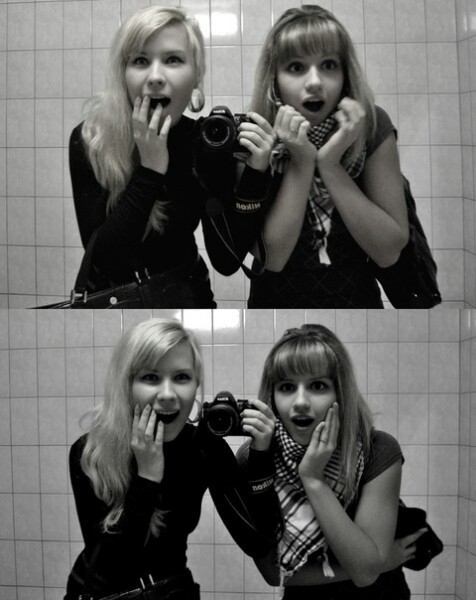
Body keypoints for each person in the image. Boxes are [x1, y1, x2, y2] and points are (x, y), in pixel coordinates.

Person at [69, 6, 275, 308]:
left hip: (188, 298)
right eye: (140, 60)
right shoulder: (92, 139)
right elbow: (107, 262)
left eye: (173, 60)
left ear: (196, 78)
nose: (155, 76)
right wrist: (151, 170)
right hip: (115, 305)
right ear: (123, 74)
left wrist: (255, 176)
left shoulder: (203, 142)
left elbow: (226, 261)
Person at [65, 318, 280, 600]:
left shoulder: (203, 446)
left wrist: (261, 457)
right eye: (151, 378)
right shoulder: (92, 451)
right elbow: (110, 568)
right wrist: (147, 478)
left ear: (195, 385)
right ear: (127, 384)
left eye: (181, 378)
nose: (167, 395)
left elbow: (259, 544)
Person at [238, 324, 425, 599]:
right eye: (287, 387)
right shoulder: (254, 457)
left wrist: (314, 480)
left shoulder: (377, 450)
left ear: (340, 392)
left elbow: (365, 573)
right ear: (273, 397)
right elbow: (273, 573)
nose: (300, 402)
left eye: (317, 386)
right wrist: (382, 562)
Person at [247, 5, 409, 307]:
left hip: (357, 303)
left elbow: (388, 252)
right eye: (296, 67)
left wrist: (330, 166)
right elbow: (272, 258)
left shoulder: (370, 126)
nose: (315, 82)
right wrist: (302, 162)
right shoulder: (258, 133)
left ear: (345, 74)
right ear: (274, 79)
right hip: (272, 302)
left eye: (329, 65)